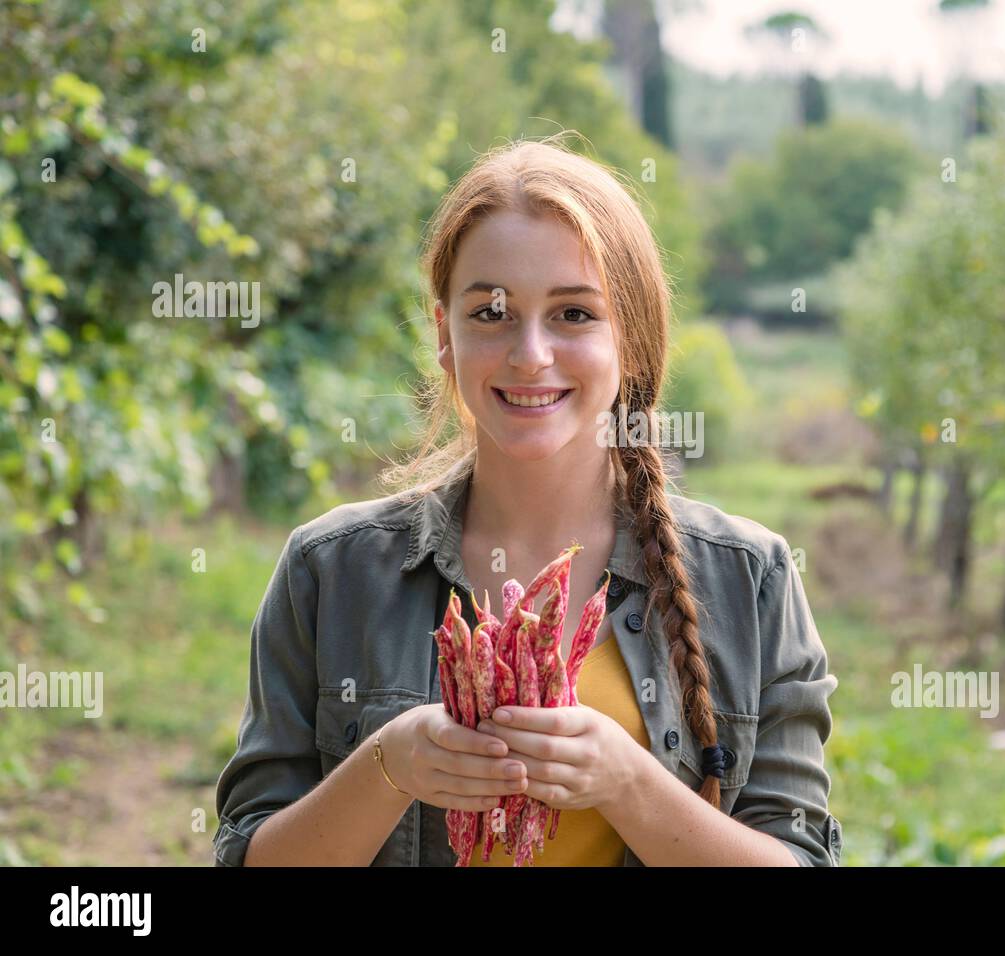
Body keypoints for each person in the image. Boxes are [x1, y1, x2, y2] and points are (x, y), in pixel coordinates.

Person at [213, 135, 842, 867]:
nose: (530, 353)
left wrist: (626, 779)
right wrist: (387, 764)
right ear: (444, 336)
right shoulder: (329, 572)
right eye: (491, 313)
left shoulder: (750, 579)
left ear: (631, 340)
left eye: (574, 314)